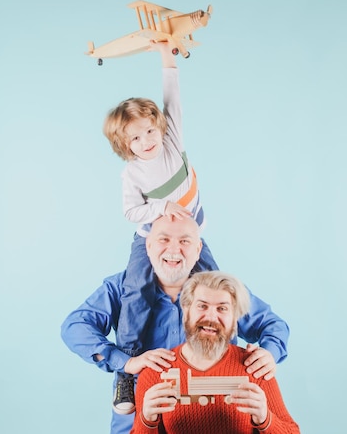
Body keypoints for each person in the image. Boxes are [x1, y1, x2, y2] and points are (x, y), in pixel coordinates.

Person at [61, 215, 290, 434]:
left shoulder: (218, 294)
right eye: (164, 239)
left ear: (198, 249)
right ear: (148, 246)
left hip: (215, 401)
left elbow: (273, 325)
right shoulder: (122, 288)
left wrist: (268, 355)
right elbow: (75, 327)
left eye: (184, 241)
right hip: (144, 403)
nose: (173, 249)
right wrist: (127, 362)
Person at [101, 39, 218, 414]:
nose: (146, 141)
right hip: (150, 238)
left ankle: (220, 354)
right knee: (136, 289)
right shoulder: (131, 173)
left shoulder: (172, 141)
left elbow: (172, 96)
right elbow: (131, 212)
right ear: (125, 145)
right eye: (135, 138)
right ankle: (128, 370)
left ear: (159, 128)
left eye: (149, 131)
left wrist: (167, 55)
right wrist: (160, 206)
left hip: (188, 236)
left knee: (214, 283)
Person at [130, 271, 299, 434]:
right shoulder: (155, 372)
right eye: (202, 306)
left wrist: (266, 419)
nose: (211, 317)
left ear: (235, 319)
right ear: (186, 311)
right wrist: (147, 420)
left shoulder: (256, 368)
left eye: (222, 308)